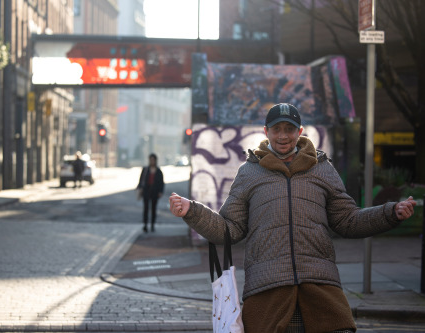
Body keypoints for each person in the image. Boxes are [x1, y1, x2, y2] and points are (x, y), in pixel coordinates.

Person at [169, 103, 416, 332]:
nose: (283, 136)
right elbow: (229, 229)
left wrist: (390, 213)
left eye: (289, 129)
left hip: (320, 286)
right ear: (266, 132)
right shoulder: (249, 174)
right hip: (267, 290)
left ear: (300, 132)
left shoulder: (322, 169)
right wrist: (192, 211)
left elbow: (348, 220)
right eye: (277, 129)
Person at [138, 153, 165, 232]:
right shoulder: (145, 170)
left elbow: (161, 183)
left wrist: (160, 191)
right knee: (146, 209)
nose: (152, 161)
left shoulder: (159, 171)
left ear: (155, 161)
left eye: (153, 160)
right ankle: (145, 225)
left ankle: (152, 225)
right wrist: (140, 188)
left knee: (153, 209)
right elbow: (141, 180)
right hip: (146, 191)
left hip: (155, 192)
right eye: (150, 160)